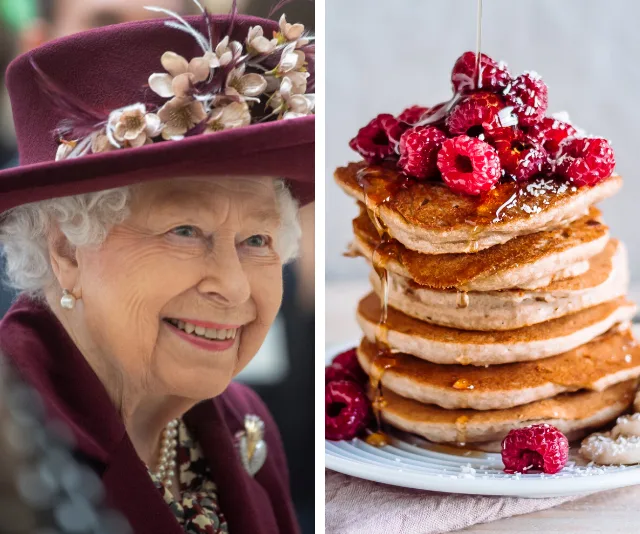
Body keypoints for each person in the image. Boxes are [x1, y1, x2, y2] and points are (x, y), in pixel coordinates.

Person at [0, 3, 314, 532]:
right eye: (185, 231)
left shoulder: (247, 425)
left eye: (257, 239)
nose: (234, 287)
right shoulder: (14, 443)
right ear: (67, 250)